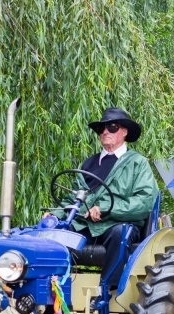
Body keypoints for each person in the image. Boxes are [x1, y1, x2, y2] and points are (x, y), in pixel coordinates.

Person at [53, 107, 157, 292]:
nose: (105, 132)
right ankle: (57, 290)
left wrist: (105, 208)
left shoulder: (137, 163)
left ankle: (107, 292)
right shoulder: (89, 163)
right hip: (85, 223)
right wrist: (55, 215)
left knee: (120, 233)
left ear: (124, 132)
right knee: (57, 233)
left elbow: (145, 201)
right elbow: (74, 195)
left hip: (116, 224)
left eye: (112, 127)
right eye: (102, 129)